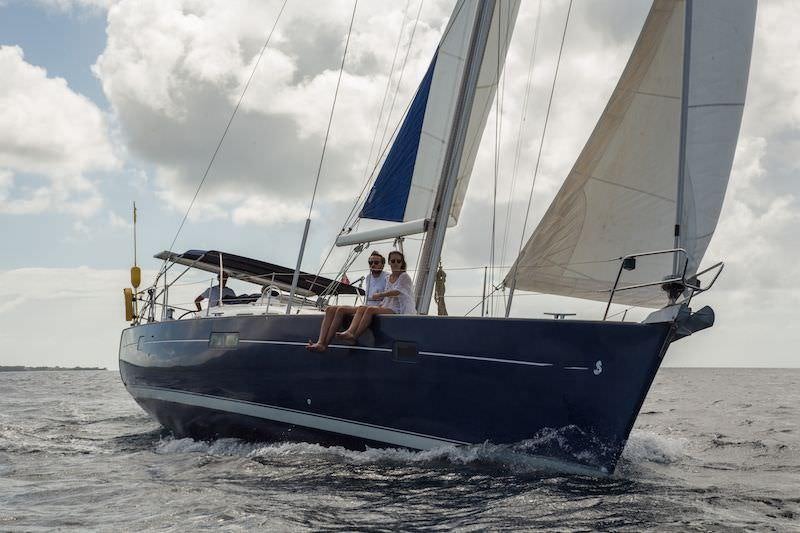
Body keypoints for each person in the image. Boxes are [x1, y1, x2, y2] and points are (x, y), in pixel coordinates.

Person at [306, 251, 389, 352]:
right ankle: (320, 342)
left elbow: (388, 297)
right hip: (365, 307)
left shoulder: (387, 277)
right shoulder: (368, 278)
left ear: (383, 264)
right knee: (330, 309)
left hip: (376, 308)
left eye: (376, 263)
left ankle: (325, 344)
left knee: (341, 309)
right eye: (370, 263)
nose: (373, 265)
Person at [335, 250, 415, 344]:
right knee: (362, 308)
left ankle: (354, 336)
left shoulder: (404, 276)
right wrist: (381, 304)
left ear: (402, 263)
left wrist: (380, 295)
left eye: (398, 261)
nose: (396, 263)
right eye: (393, 261)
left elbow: (397, 292)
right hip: (389, 306)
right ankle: (350, 331)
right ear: (389, 262)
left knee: (370, 310)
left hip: (399, 309)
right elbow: (387, 298)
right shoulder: (388, 278)